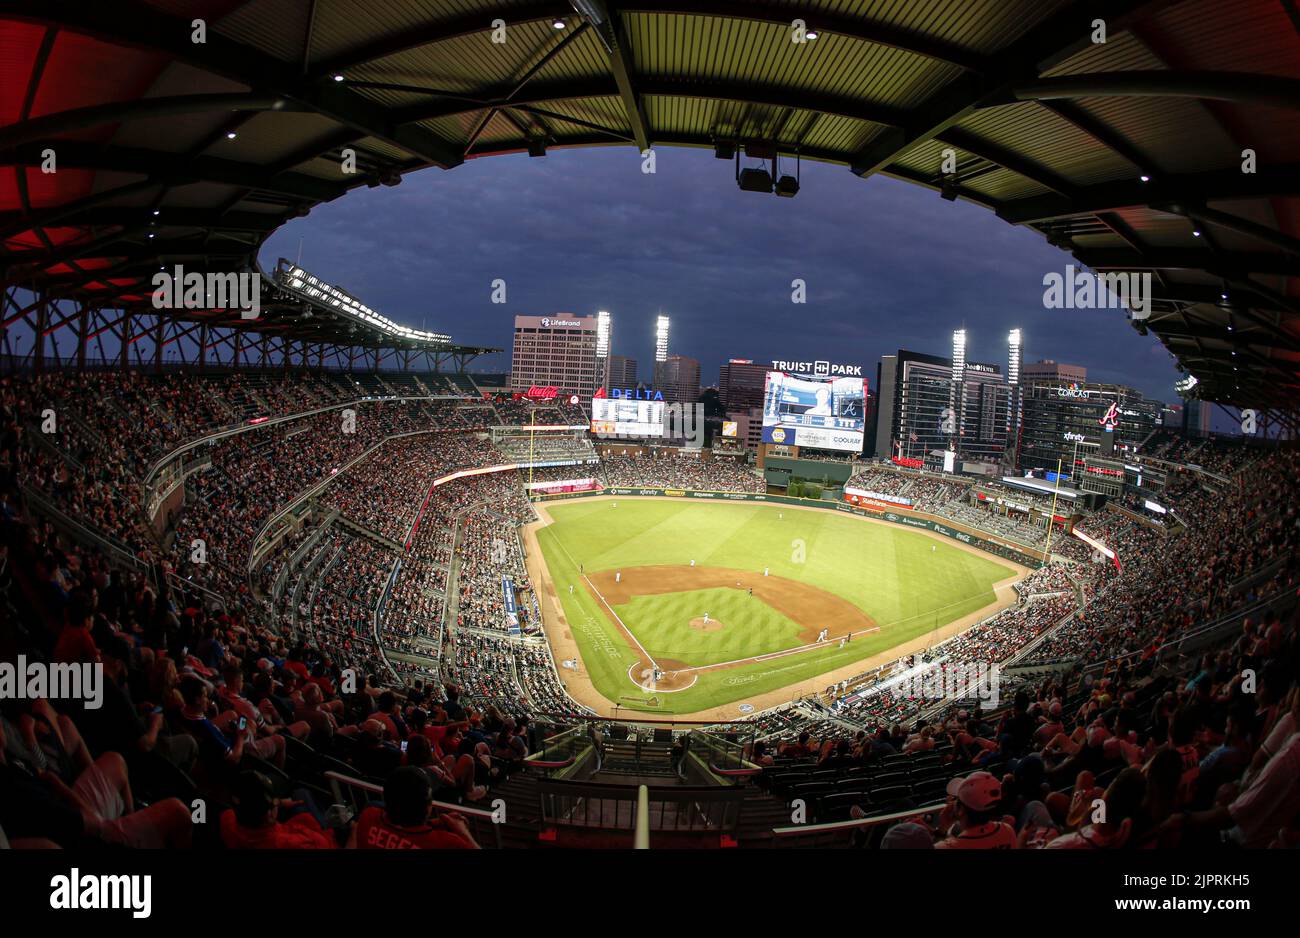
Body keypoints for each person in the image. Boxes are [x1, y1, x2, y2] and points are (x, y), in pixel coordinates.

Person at [350, 767, 478, 849]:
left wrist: (433, 824)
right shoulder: (447, 842)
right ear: (429, 808)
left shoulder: (369, 816)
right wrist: (463, 831)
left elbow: (401, 832)